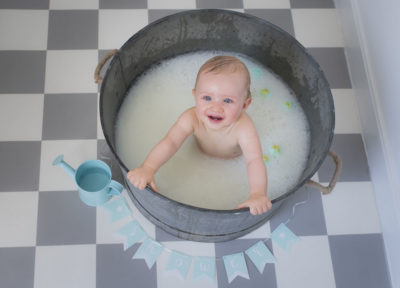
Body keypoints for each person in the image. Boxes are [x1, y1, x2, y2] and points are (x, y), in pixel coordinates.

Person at [127, 55, 272, 215]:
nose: (216, 107)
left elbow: (253, 161)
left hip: (231, 163)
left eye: (228, 101)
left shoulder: (244, 127)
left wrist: (258, 194)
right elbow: (171, 142)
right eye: (207, 98)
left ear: (245, 105)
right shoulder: (191, 117)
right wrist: (148, 167)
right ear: (195, 96)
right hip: (199, 156)